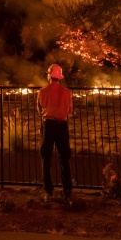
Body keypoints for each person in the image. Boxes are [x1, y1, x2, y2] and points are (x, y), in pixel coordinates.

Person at [37, 63, 73, 204]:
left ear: (49, 76)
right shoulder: (67, 92)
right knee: (64, 158)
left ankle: (48, 189)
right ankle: (67, 191)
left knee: (46, 157)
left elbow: (40, 108)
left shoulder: (43, 91)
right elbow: (69, 110)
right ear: (60, 77)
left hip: (49, 125)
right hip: (62, 126)